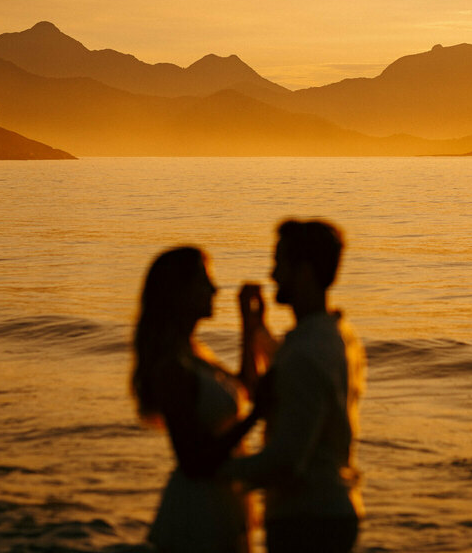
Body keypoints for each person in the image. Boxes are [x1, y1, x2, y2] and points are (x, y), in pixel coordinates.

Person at [223, 219, 366, 553]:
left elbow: (286, 462)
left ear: (303, 272)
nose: (272, 274)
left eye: (279, 263)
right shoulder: (337, 335)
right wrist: (255, 328)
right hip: (332, 509)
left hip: (307, 520)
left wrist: (216, 471)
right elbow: (287, 372)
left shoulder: (306, 352)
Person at [130, 246, 271, 553]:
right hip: (197, 512)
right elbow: (193, 462)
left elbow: (244, 389)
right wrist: (255, 416)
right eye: (204, 282)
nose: (215, 289)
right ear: (179, 293)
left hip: (222, 501)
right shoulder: (172, 366)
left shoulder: (195, 351)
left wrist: (249, 324)